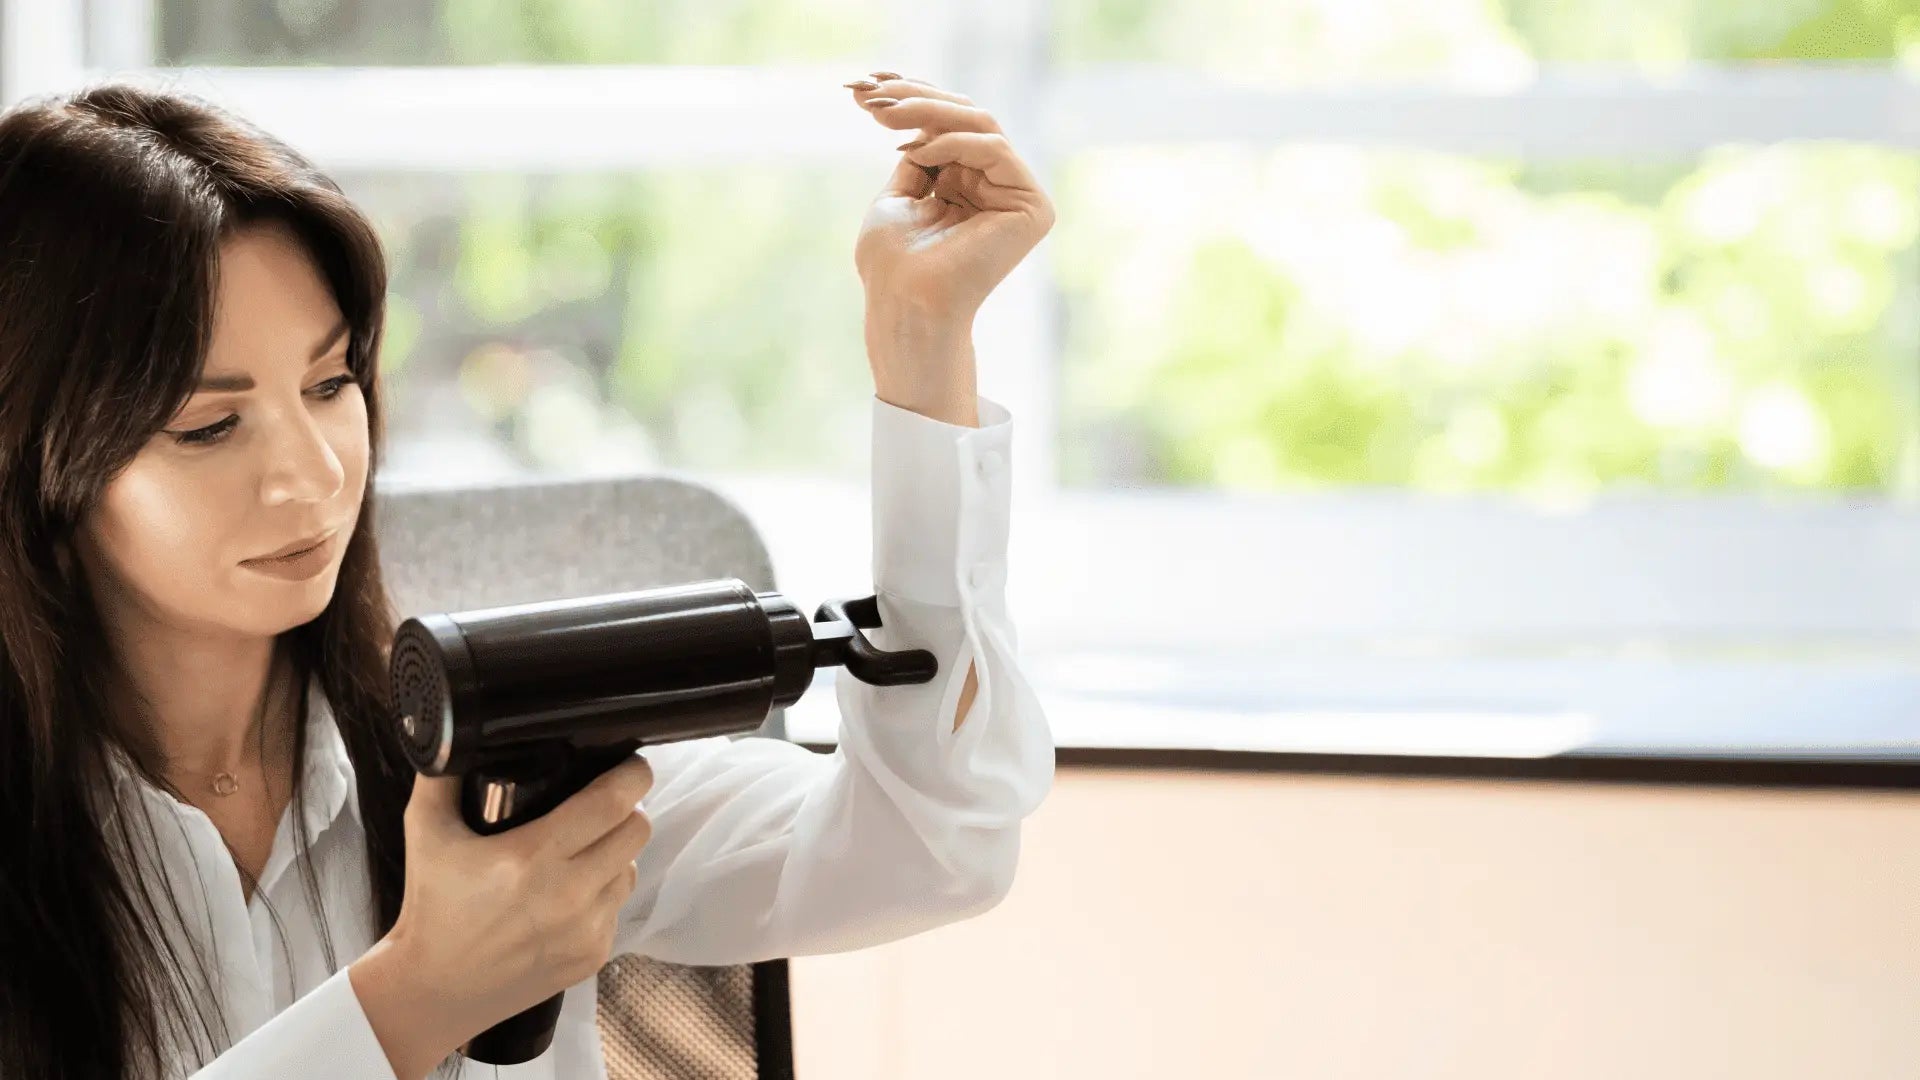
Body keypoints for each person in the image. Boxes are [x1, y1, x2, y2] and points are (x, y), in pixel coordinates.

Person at [0, 72, 1057, 1080]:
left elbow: (933, 845)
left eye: (330, 383)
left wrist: (922, 340)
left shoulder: (505, 774)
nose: (315, 473)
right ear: (32, 454)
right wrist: (419, 995)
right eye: (209, 425)